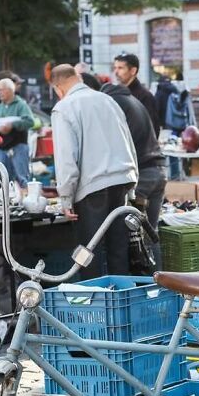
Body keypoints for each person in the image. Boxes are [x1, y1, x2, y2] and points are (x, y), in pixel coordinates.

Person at [50, 64, 138, 277]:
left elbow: (66, 159)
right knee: (118, 251)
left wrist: (65, 197)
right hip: (122, 180)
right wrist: (132, 185)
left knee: (89, 256)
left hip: (92, 188)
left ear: (57, 87)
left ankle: (94, 308)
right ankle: (121, 304)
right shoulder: (107, 100)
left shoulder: (64, 108)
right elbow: (127, 140)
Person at [101, 82, 167, 265]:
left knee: (129, 236)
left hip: (142, 174)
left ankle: (141, 281)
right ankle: (158, 281)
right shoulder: (134, 101)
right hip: (158, 170)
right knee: (151, 233)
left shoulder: (114, 104)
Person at [0, 77, 34, 188]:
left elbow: (30, 121)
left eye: (1, 90)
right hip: (2, 147)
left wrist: (12, 125)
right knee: (4, 179)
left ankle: (27, 202)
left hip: (18, 146)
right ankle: (8, 203)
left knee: (22, 178)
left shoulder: (21, 105)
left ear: (10, 90)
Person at [112, 53, 160, 136]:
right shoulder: (116, 94)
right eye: (115, 68)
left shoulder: (145, 96)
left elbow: (152, 130)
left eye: (120, 68)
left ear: (133, 71)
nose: (116, 72)